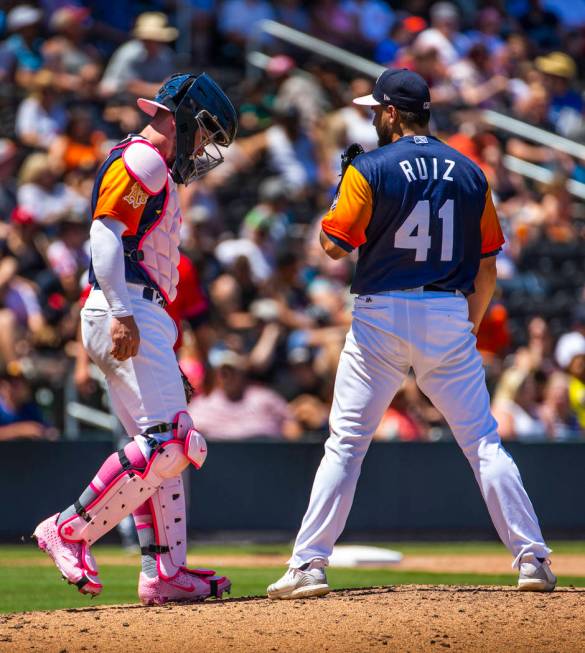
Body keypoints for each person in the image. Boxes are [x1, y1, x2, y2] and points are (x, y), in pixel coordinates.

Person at [267, 69, 556, 600]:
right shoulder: (471, 172)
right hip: (447, 309)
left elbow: (332, 247)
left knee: (347, 444)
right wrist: (464, 326)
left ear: (394, 113)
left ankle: (309, 564)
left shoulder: (370, 167)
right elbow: (488, 268)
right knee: (483, 442)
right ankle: (532, 558)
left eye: (377, 109)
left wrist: (341, 189)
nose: (374, 117)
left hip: (380, 313)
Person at [33, 72, 239, 605]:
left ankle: (165, 571)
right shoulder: (144, 158)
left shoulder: (149, 163)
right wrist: (123, 311)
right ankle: (69, 528)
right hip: (125, 304)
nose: (203, 146)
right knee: (171, 442)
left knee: (167, 444)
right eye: (204, 131)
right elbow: (105, 234)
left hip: (138, 310)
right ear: (184, 117)